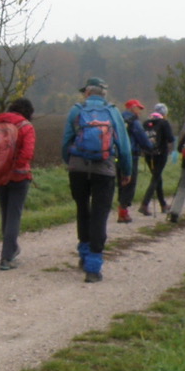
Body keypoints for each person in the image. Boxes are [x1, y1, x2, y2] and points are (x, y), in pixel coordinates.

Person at [62, 78, 132, 283]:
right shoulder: (113, 112)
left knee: (82, 210)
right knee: (100, 215)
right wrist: (126, 171)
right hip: (105, 169)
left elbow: (66, 141)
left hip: (78, 169)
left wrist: (71, 162)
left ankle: (83, 255)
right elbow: (124, 146)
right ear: (104, 94)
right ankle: (93, 267)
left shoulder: (76, 111)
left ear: (86, 93)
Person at [0, 97, 36, 270]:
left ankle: (11, 249)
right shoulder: (26, 127)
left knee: (6, 214)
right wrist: (15, 167)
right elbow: (27, 154)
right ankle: (7, 258)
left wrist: (1, 168)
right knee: (14, 216)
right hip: (19, 177)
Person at [116, 98, 154, 223]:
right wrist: (151, 146)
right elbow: (142, 139)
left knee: (121, 182)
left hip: (117, 156)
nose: (140, 112)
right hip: (132, 156)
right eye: (138, 108)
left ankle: (121, 209)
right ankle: (123, 211)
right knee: (130, 183)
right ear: (132, 108)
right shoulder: (134, 121)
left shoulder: (118, 119)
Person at [139, 103, 175, 216]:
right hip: (161, 154)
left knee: (157, 177)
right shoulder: (164, 123)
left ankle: (163, 204)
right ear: (164, 113)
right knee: (155, 178)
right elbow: (170, 139)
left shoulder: (146, 123)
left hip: (148, 154)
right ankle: (144, 204)